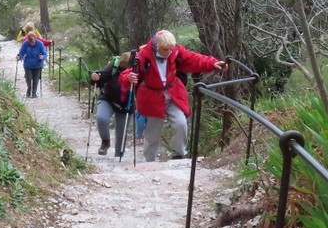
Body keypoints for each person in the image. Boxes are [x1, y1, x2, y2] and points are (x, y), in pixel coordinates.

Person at [122, 30, 226, 162]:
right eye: (166, 49)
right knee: (152, 134)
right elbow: (128, 74)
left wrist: (212, 63)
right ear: (157, 46)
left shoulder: (176, 51)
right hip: (152, 98)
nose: (169, 52)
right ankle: (149, 161)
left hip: (173, 95)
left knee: (181, 124)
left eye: (171, 49)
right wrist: (128, 78)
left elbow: (193, 59)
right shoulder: (143, 56)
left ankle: (179, 155)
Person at [90, 52, 134, 157]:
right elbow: (101, 76)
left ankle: (119, 156)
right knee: (101, 118)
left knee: (121, 134)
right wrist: (94, 77)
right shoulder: (114, 66)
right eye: (122, 65)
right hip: (108, 98)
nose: (123, 68)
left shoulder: (137, 70)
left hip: (126, 104)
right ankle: (105, 142)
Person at [17, 31, 48, 98]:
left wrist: (42, 57)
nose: (32, 43)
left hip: (38, 64)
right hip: (28, 64)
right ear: (28, 39)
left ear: (35, 38)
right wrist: (19, 56)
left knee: (36, 79)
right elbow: (21, 52)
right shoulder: (25, 44)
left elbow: (45, 54)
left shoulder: (40, 44)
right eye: (30, 42)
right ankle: (29, 90)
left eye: (33, 41)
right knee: (28, 78)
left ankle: (34, 93)